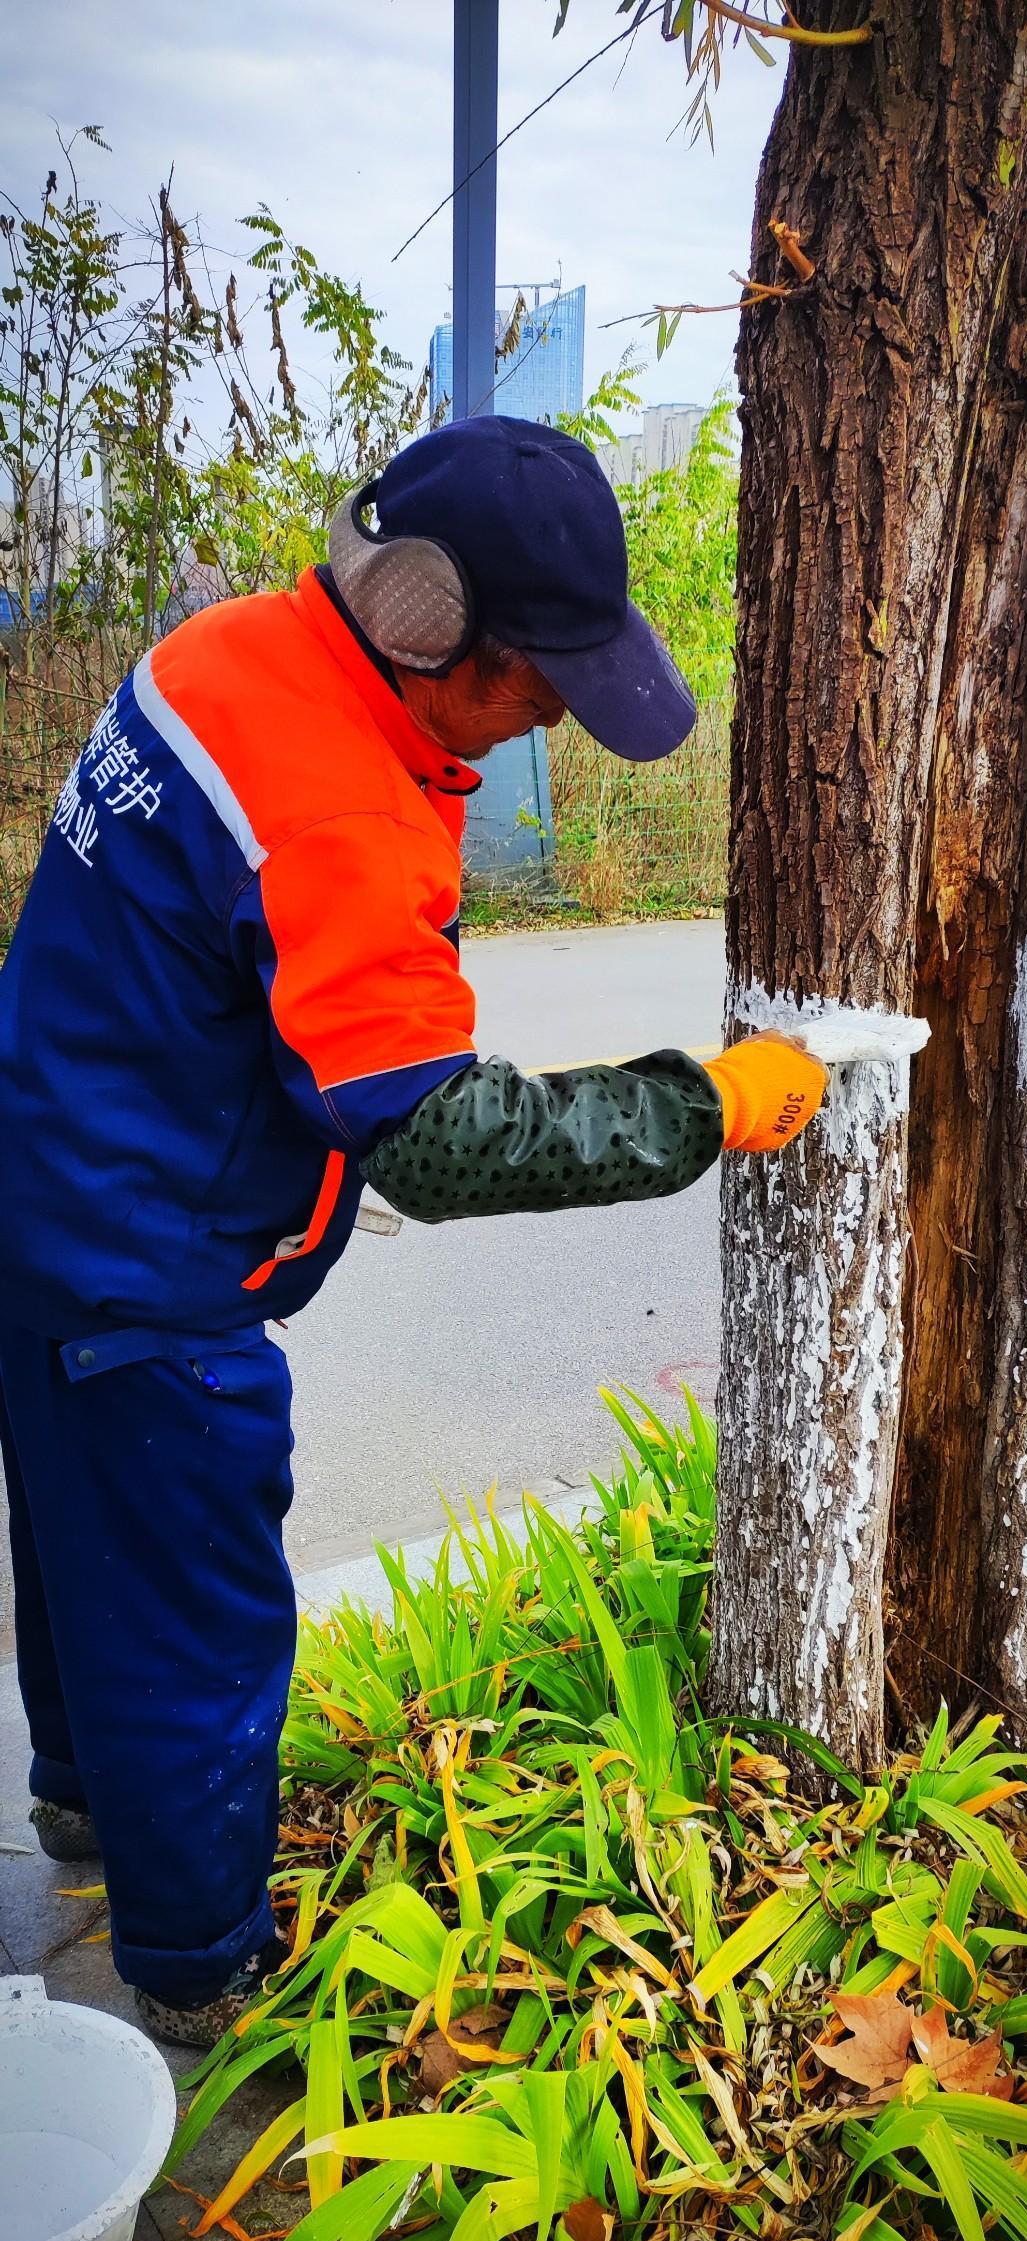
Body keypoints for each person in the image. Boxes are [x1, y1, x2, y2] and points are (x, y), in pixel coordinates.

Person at [0, 418, 827, 2043]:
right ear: (431, 629)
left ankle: (85, 1818)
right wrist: (704, 1107)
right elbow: (439, 1141)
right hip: (143, 1263)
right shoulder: (336, 811)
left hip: (42, 1180)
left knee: (88, 1552)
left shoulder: (232, 650)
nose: (547, 725)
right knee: (195, 1619)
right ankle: (199, 1968)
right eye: (537, 681)